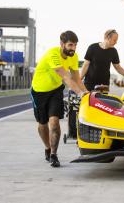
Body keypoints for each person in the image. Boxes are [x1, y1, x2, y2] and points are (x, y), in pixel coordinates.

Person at [30, 31, 88, 167]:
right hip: (39, 91)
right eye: (70, 45)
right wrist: (79, 93)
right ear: (62, 44)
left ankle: (53, 155)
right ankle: (47, 147)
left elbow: (76, 78)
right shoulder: (53, 54)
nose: (73, 48)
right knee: (42, 124)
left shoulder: (74, 57)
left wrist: (86, 92)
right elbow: (66, 77)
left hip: (56, 91)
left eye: (75, 45)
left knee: (54, 122)